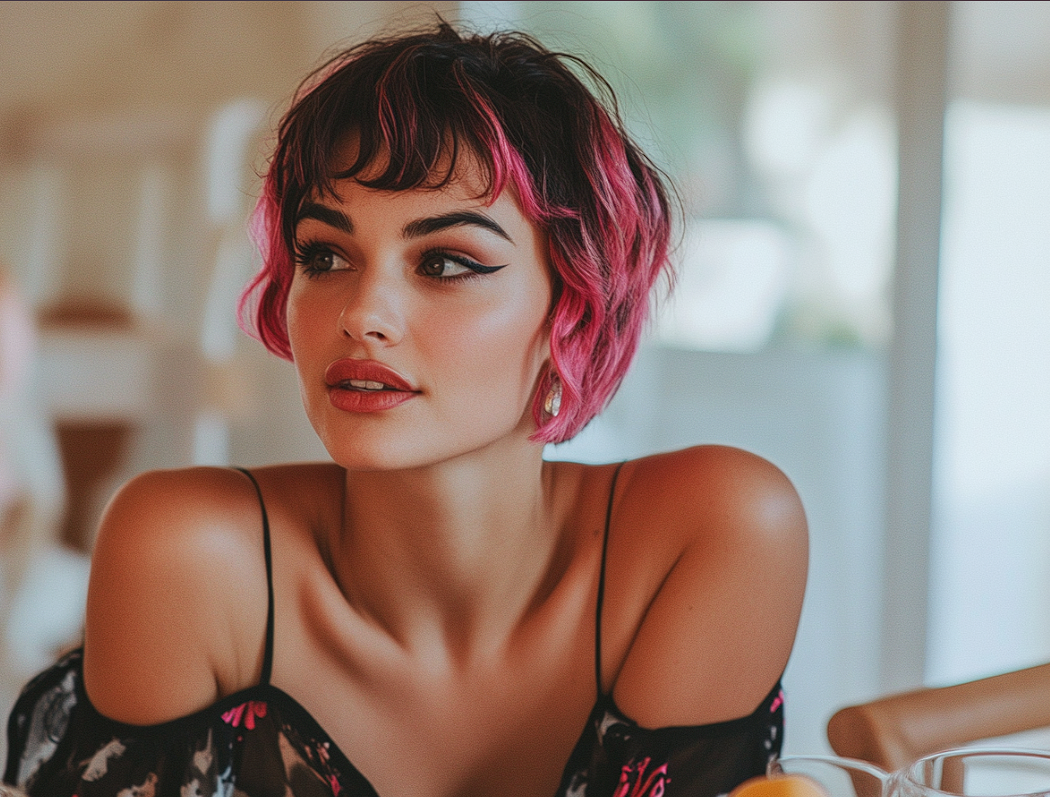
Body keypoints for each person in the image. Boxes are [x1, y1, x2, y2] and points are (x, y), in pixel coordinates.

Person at [4, 22, 807, 797]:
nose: (363, 312)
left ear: (577, 304)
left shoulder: (713, 533)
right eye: (325, 254)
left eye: (447, 261)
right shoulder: (185, 554)